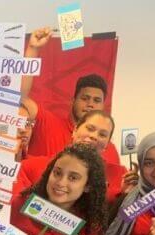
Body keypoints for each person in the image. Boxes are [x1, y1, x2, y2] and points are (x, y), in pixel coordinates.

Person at [20, 27, 121, 165]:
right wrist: (32, 49)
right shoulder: (47, 123)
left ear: (103, 106)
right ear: (73, 101)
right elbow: (19, 97)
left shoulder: (109, 148)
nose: (90, 104)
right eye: (85, 98)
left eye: (97, 100)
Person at [20, 109, 130, 202]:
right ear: (75, 130)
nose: (94, 136)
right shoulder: (31, 166)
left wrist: (126, 196)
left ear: (107, 144)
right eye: (90, 129)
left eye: (102, 134)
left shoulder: (121, 176)